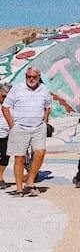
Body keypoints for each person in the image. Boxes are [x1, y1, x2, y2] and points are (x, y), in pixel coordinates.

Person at [1, 68, 52, 197]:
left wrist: (45, 121)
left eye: (34, 77)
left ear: (39, 77)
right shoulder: (17, 88)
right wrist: (12, 125)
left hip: (38, 127)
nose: (31, 79)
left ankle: (30, 181)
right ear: (25, 76)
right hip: (20, 127)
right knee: (19, 157)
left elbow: (48, 106)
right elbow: (5, 107)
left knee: (40, 153)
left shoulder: (44, 89)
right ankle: (19, 188)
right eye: (28, 76)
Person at [0, 83, 9, 188]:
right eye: (3, 96)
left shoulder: (10, 105)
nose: (6, 99)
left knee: (5, 156)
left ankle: (0, 177)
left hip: (6, 134)